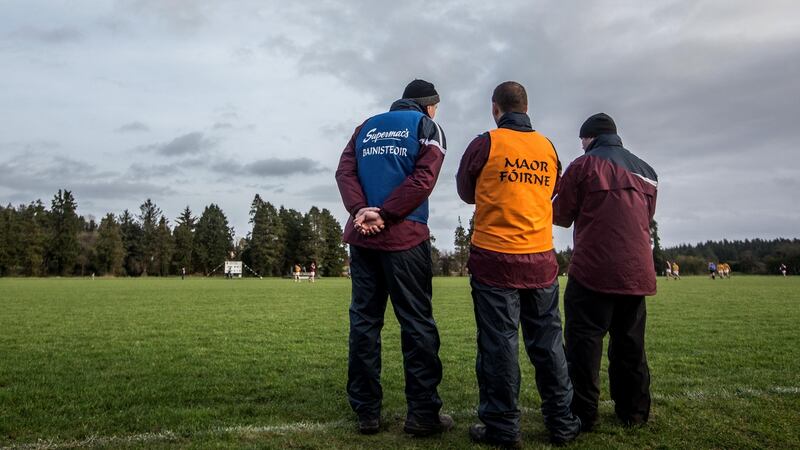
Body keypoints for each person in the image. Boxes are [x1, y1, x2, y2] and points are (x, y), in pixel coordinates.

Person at [456, 81, 581, 447]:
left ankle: (503, 427)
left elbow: (465, 191)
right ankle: (561, 421)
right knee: (548, 344)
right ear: (526, 108)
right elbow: (551, 189)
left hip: (495, 259)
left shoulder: (486, 143)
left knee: (499, 345)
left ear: (496, 109)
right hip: (541, 258)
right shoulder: (548, 146)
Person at [335, 79, 452, 436]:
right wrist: (386, 215)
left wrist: (360, 211)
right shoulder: (427, 127)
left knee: (364, 325)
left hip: (363, 240)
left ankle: (366, 413)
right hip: (405, 237)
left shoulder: (365, 127)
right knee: (416, 325)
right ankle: (422, 415)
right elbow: (423, 179)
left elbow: (344, 172)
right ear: (429, 106)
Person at [553, 112, 658, 431]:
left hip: (592, 271)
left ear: (589, 138)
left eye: (581, 139)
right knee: (630, 345)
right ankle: (634, 411)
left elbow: (560, 214)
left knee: (584, 345)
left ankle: (584, 414)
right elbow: (647, 215)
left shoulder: (582, 166)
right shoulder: (647, 171)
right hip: (636, 272)